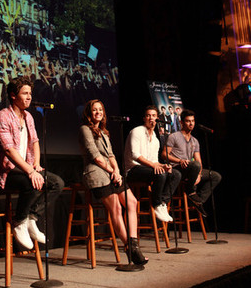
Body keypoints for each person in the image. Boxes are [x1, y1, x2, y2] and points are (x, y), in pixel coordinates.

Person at [0, 77, 64, 250]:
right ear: (13, 96)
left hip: (27, 168)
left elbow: (35, 141)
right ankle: (19, 222)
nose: (29, 97)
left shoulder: (29, 116)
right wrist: (30, 171)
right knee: (31, 182)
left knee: (57, 183)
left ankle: (31, 217)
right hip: (6, 172)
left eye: (30, 93)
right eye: (25, 93)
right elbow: (8, 150)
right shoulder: (2, 116)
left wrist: (36, 164)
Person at [79, 99, 148, 265]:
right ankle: (129, 248)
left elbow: (111, 156)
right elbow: (95, 156)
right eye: (95, 110)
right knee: (116, 206)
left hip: (111, 172)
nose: (98, 113)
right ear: (89, 113)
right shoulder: (85, 129)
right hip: (96, 173)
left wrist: (116, 171)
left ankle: (133, 244)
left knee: (132, 201)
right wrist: (112, 171)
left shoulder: (103, 132)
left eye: (100, 110)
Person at [124, 105, 181, 223]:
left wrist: (163, 166)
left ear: (157, 118)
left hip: (148, 169)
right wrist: (155, 166)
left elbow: (154, 160)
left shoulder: (155, 139)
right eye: (148, 116)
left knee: (175, 174)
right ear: (144, 118)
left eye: (154, 116)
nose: (151, 118)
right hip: (133, 170)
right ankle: (157, 204)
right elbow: (135, 155)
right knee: (160, 174)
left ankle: (163, 203)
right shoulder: (137, 131)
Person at [161, 109, 222, 217]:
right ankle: (190, 191)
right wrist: (180, 160)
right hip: (178, 169)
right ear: (181, 122)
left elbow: (198, 159)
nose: (191, 123)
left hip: (192, 170)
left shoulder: (194, 141)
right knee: (195, 165)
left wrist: (198, 174)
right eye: (188, 121)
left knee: (215, 176)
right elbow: (164, 155)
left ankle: (198, 201)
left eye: (193, 121)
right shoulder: (174, 136)